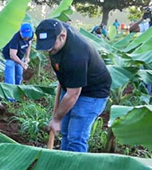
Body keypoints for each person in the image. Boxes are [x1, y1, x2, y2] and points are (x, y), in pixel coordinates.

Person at [35, 19, 112, 153]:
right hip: (71, 85)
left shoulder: (76, 56)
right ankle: (65, 163)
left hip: (92, 93)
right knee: (65, 131)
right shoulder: (59, 28)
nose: (50, 51)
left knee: (76, 136)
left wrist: (56, 118)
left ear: (63, 36)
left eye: (52, 47)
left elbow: (73, 94)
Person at [2, 23, 33, 89]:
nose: (27, 38)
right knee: (10, 80)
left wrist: (27, 57)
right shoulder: (15, 38)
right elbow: (12, 55)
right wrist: (22, 63)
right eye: (25, 36)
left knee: (19, 77)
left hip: (20, 56)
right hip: (9, 57)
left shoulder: (31, 35)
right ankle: (10, 98)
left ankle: (16, 94)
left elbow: (29, 45)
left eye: (28, 36)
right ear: (20, 32)